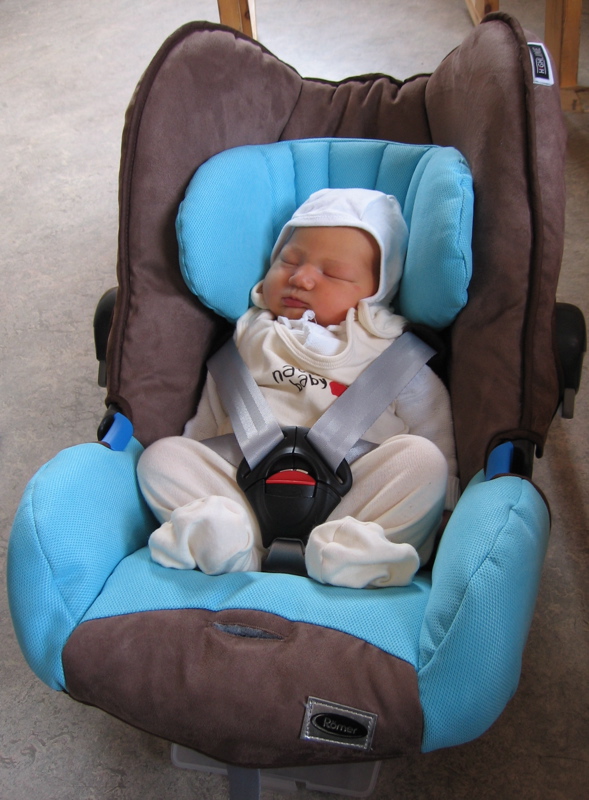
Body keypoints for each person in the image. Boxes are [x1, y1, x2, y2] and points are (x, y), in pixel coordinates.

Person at [137, 188, 459, 588]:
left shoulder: (393, 352)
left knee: (425, 460)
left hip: (353, 495)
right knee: (161, 457)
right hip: (244, 485)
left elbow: (432, 423)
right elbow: (210, 415)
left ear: (377, 292)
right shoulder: (246, 338)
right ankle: (227, 539)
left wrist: (445, 505)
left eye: (333, 273)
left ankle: (351, 551)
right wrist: (196, 464)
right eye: (287, 261)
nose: (300, 277)